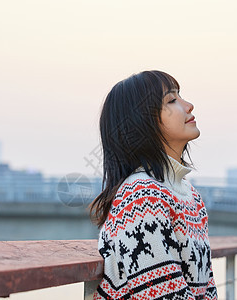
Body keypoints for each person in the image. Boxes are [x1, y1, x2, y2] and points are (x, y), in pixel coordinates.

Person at [90, 70, 217, 300]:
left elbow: (208, 289)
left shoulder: (190, 196)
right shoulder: (141, 196)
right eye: (171, 100)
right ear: (142, 122)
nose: (189, 106)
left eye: (180, 96)